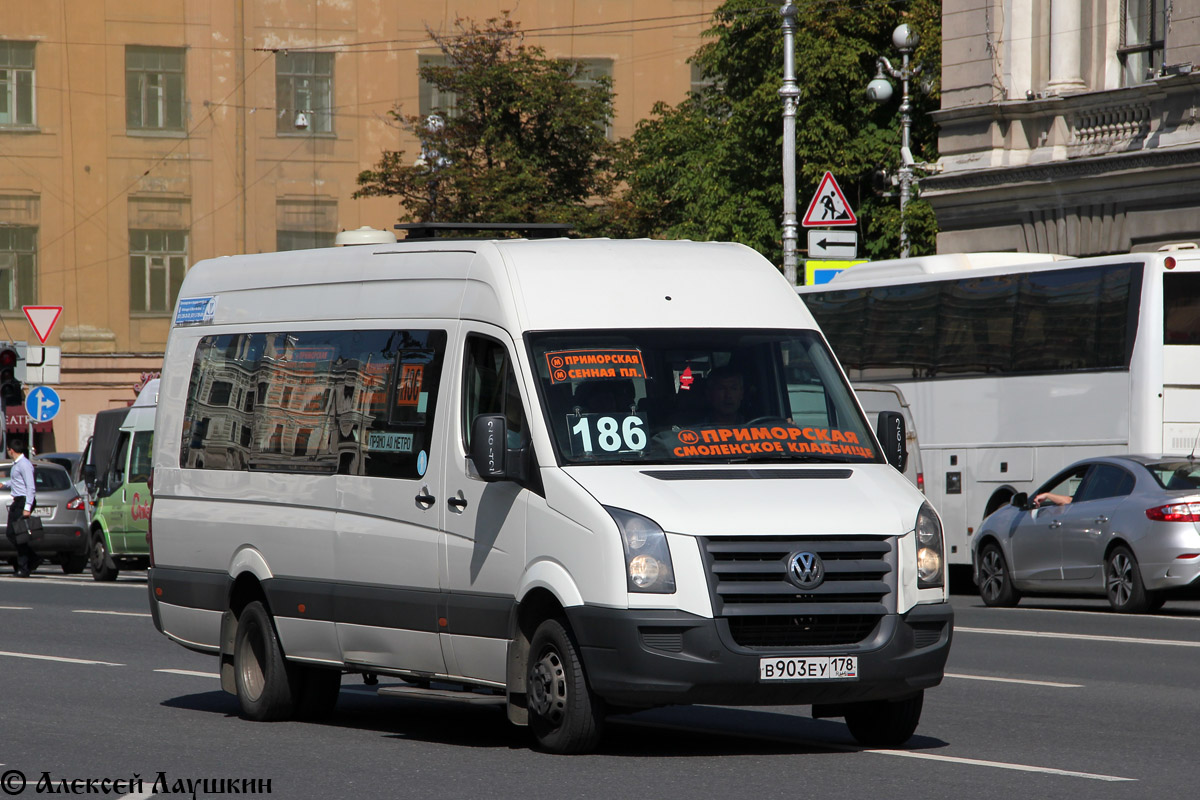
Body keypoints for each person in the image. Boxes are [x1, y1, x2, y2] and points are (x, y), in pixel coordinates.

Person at [5, 437, 39, 578]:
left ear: (11, 450)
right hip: (18, 500)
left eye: (8, 450)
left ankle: (24, 567)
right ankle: (32, 559)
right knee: (11, 533)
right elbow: (16, 482)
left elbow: (30, 487)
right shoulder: (17, 464)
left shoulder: (24, 464)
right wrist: (5, 484)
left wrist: (27, 507)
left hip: (23, 501)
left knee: (20, 535)